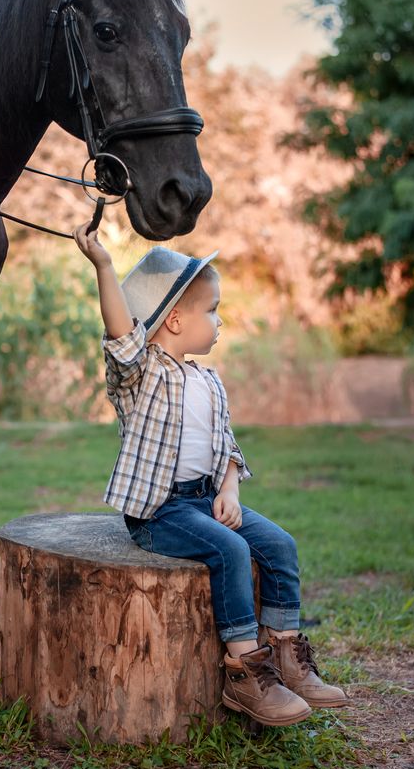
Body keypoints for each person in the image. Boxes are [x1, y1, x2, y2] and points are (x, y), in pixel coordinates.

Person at [73, 222, 348, 727]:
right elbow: (121, 337)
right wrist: (105, 266)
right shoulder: (143, 375)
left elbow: (227, 446)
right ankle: (244, 674)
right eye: (212, 309)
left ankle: (287, 655)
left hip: (205, 499)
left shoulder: (210, 381)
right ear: (174, 321)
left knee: (280, 545)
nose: (220, 320)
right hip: (160, 510)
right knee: (232, 551)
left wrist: (229, 489)